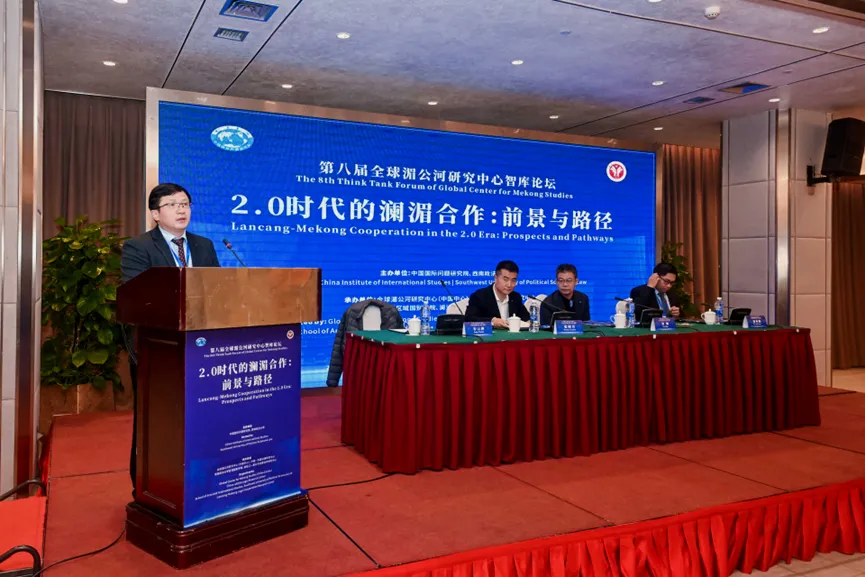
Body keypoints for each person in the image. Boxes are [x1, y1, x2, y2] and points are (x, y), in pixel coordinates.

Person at [120, 183, 221, 495]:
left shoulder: (203, 246)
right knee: (156, 422)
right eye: (173, 204)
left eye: (185, 204)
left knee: (202, 417)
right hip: (158, 351)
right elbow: (138, 297)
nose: (181, 210)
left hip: (201, 348)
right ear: (155, 214)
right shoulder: (138, 247)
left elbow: (217, 290)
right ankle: (148, 489)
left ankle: (202, 484)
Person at [465, 260, 530, 329]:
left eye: (513, 280)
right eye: (505, 279)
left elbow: (526, 318)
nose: (509, 284)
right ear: (495, 277)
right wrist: (492, 321)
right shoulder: (479, 296)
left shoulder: (515, 297)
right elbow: (469, 319)